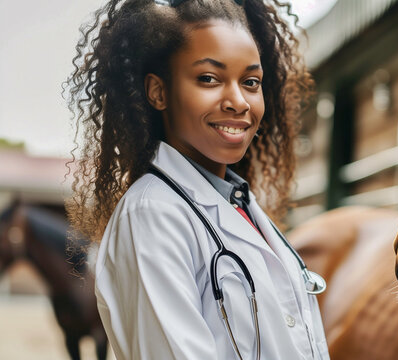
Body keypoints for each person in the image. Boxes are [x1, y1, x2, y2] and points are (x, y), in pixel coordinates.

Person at [65, 0, 328, 358]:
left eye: (251, 81)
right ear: (158, 92)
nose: (239, 101)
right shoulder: (152, 215)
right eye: (209, 78)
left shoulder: (238, 205)